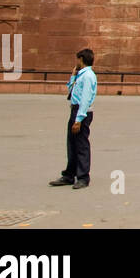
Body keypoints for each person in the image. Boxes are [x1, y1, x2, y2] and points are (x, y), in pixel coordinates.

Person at [49, 48, 97, 189]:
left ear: (81, 59)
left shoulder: (88, 76)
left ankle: (83, 177)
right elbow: (71, 91)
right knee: (72, 144)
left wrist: (79, 119)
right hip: (75, 110)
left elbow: (85, 99)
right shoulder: (80, 75)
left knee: (81, 145)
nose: (76, 62)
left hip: (82, 112)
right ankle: (70, 175)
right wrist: (73, 76)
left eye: (77, 59)